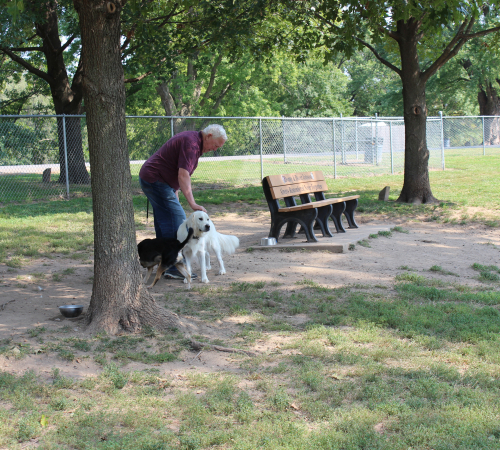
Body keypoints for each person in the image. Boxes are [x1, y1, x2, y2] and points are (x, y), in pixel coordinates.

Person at [139, 124, 227, 280]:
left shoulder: (193, 142)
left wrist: (175, 192)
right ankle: (173, 267)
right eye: (215, 145)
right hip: (156, 180)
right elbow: (183, 175)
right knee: (178, 219)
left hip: (155, 179)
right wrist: (192, 204)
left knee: (164, 220)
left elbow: (175, 169)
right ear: (208, 136)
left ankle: (162, 262)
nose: (215, 149)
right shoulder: (192, 144)